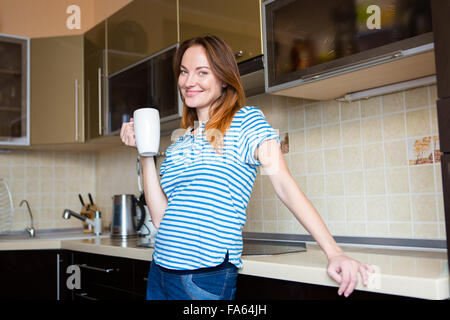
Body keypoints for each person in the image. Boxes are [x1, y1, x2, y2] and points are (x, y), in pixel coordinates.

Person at [120, 35, 373, 300]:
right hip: (160, 269)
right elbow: (162, 218)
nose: (188, 81)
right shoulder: (179, 142)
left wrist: (334, 252)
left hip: (202, 276)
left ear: (223, 78)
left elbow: (285, 185)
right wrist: (145, 153)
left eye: (202, 72)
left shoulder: (247, 121)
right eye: (184, 72)